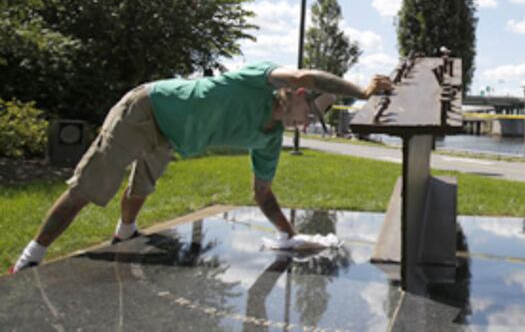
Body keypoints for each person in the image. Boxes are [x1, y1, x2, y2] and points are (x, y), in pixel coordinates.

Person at [11, 61, 392, 273]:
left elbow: (262, 193)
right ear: (298, 95)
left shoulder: (270, 138)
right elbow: (304, 73)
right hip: (146, 110)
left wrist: (289, 235)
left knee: (142, 188)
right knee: (90, 188)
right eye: (308, 114)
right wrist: (360, 91)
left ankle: (125, 234)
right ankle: (30, 258)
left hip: (169, 136)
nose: (306, 124)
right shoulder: (256, 80)